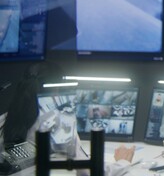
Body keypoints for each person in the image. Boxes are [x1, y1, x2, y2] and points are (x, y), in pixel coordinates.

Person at [0, 62, 136, 176]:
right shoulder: (56, 123)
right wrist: (123, 162)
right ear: (57, 89)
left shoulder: (4, 120)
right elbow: (88, 171)